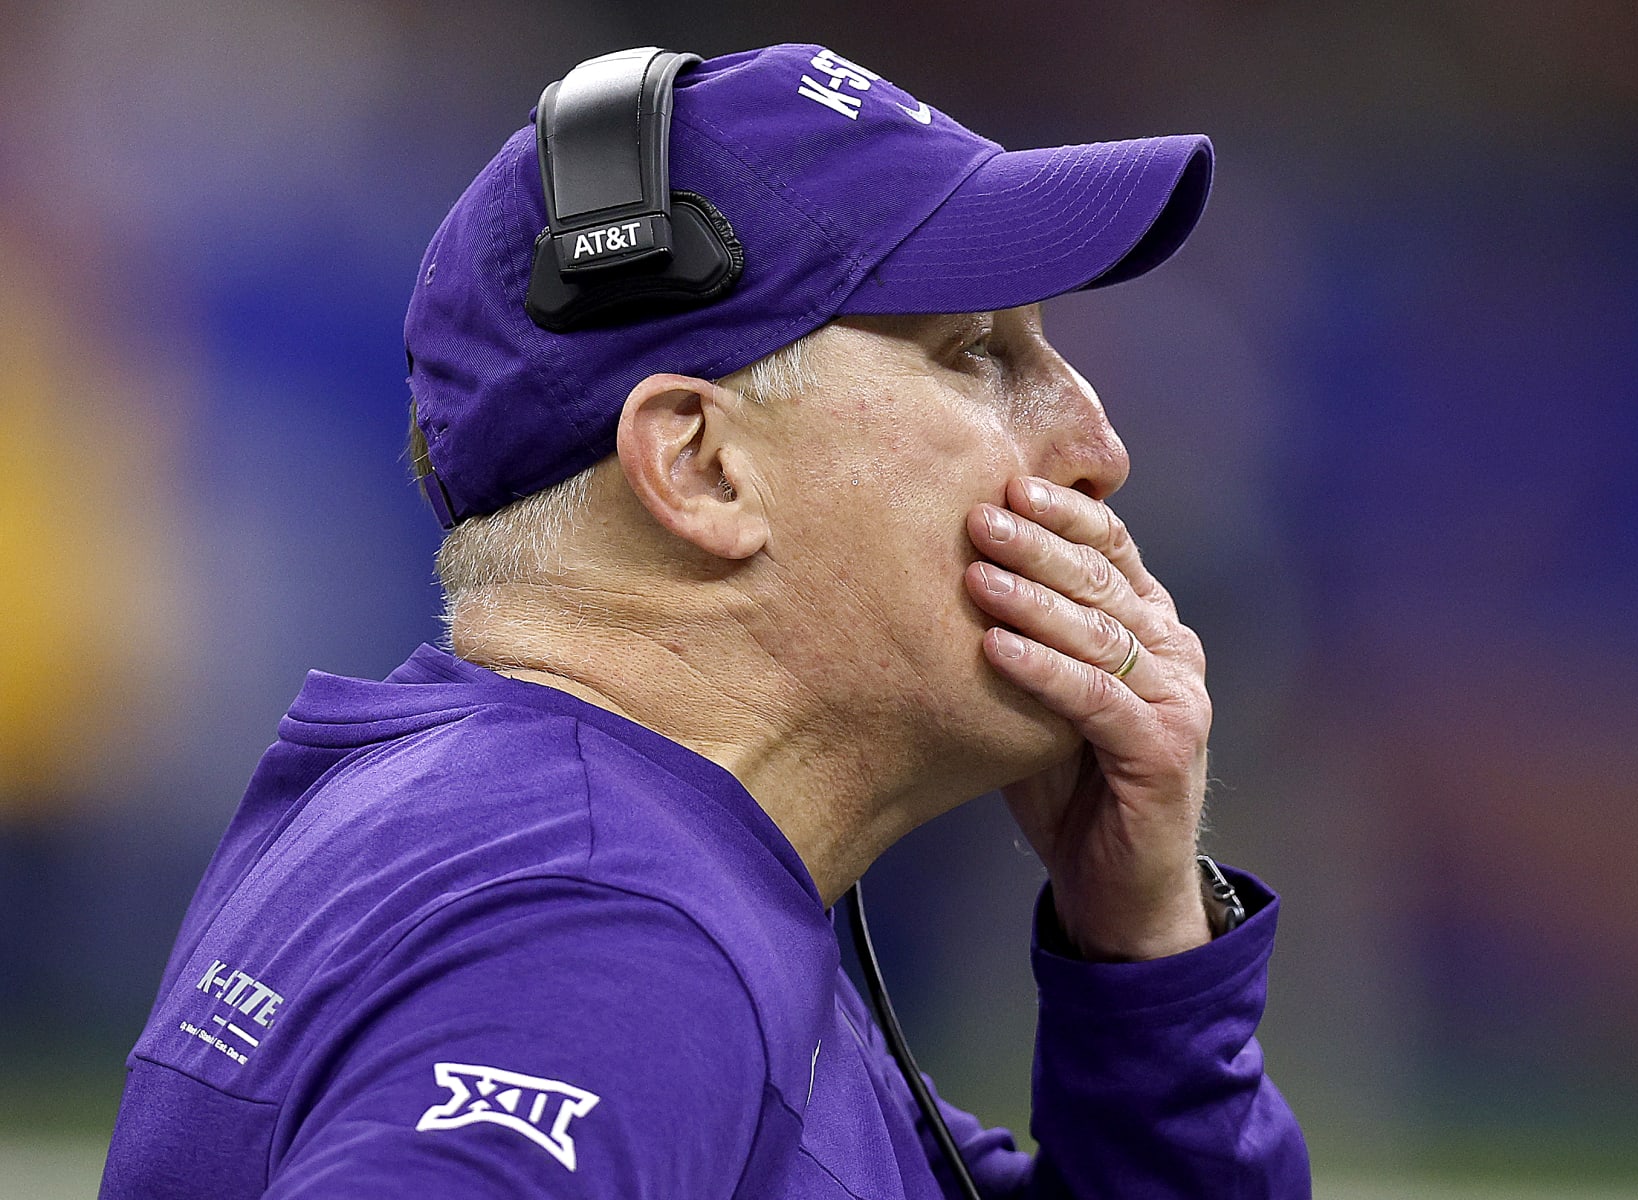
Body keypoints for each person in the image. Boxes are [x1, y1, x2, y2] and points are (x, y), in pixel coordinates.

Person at [101, 42, 1309, 1198]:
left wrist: (1145, 950)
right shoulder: (601, 932)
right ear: (700, 467)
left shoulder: (573, 850)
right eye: (974, 351)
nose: (1099, 447)